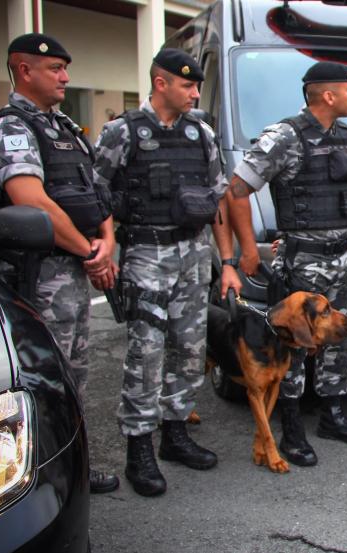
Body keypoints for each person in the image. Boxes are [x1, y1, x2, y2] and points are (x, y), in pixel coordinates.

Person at [0, 33, 120, 494]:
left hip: (73, 272)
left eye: (64, 68)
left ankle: (71, 465)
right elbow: (30, 201)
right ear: (23, 69)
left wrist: (105, 241)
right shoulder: (10, 130)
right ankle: (35, 478)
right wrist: (89, 250)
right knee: (37, 381)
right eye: (55, 68)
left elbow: (98, 194)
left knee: (73, 375)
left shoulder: (65, 129)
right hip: (36, 278)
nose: (65, 77)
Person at [92, 48, 242, 496]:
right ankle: (139, 447)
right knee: (146, 353)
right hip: (147, 255)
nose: (196, 92)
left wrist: (229, 263)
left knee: (189, 347)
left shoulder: (201, 134)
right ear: (161, 84)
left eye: (196, 85)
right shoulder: (123, 133)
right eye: (188, 85)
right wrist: (108, 245)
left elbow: (219, 200)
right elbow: (96, 193)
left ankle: (175, 433)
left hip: (195, 255)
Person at [227, 61, 347, 468]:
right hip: (303, 264)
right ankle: (291, 430)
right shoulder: (285, 137)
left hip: (344, 258)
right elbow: (237, 190)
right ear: (328, 95)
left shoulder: (346, 136)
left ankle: (332, 416)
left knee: (340, 337)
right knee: (292, 346)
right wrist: (248, 250)